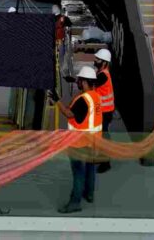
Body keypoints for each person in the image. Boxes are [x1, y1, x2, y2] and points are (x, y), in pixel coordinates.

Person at [50, 66, 102, 214]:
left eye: (79, 80)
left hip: (79, 142)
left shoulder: (83, 100)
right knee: (90, 169)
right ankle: (89, 194)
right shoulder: (95, 96)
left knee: (78, 173)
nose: (78, 82)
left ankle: (75, 203)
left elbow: (68, 113)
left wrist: (57, 101)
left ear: (85, 82)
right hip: (94, 141)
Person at [93, 48, 115, 173]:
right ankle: (102, 157)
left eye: (98, 59)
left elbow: (91, 84)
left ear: (104, 62)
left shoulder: (103, 76)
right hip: (103, 111)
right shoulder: (102, 72)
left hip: (105, 112)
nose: (95, 61)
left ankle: (106, 162)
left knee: (103, 136)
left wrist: (76, 80)